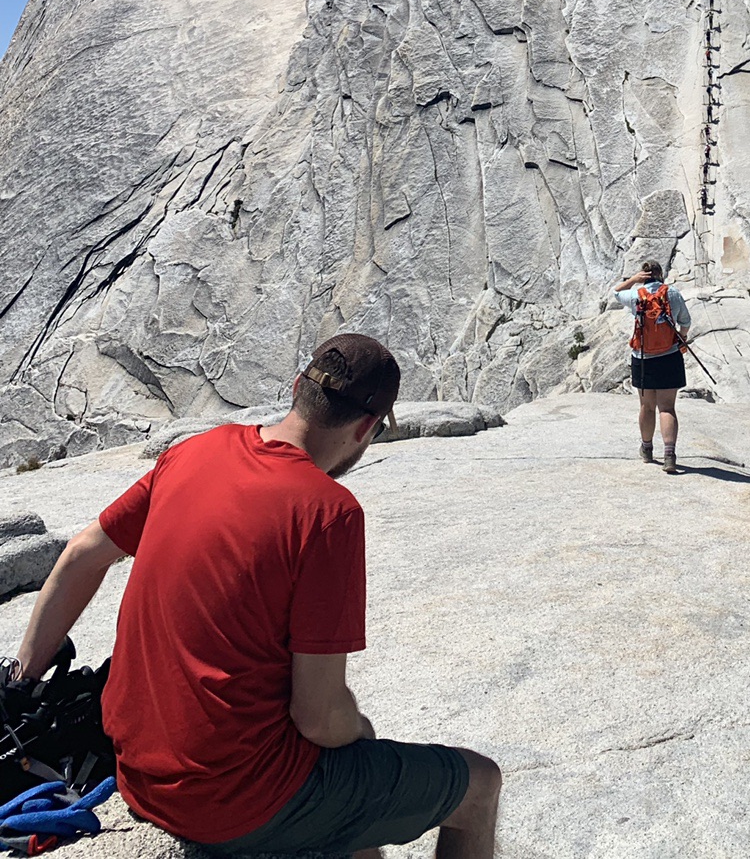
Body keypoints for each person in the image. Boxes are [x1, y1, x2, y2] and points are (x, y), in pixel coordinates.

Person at [10, 334, 502, 859]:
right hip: (232, 803)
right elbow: (316, 716)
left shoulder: (194, 451)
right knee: (478, 786)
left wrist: (20, 682)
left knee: (358, 760)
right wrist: (356, 728)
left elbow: (85, 551)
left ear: (297, 389)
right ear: (366, 429)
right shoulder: (328, 513)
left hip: (137, 770)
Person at [611, 260, 692, 474]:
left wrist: (633, 280)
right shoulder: (672, 294)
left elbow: (615, 292)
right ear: (661, 275)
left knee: (646, 406)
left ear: (644, 275)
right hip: (669, 356)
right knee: (667, 407)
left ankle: (647, 449)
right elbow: (685, 321)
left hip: (643, 356)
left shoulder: (636, 295)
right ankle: (669, 455)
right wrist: (681, 338)